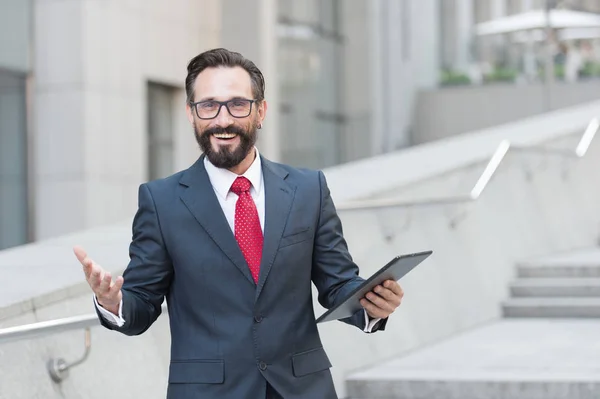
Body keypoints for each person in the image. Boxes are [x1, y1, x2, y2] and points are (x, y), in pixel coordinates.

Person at [73, 48, 404, 399]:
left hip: (302, 389)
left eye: (237, 105)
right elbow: (141, 303)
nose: (222, 119)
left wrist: (369, 304)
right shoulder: (162, 202)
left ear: (260, 111)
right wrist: (113, 302)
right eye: (208, 106)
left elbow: (338, 283)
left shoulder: (308, 189)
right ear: (191, 113)